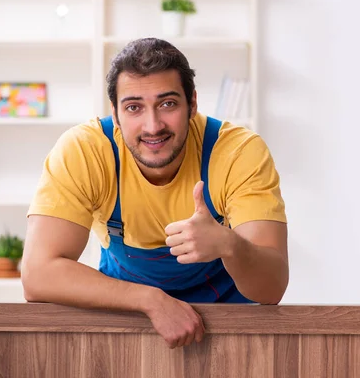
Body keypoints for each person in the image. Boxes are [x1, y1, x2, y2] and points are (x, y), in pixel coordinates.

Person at [21, 37, 289, 349]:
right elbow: (38, 274)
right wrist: (150, 300)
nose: (152, 126)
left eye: (168, 104)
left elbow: (272, 288)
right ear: (116, 114)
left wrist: (229, 244)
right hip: (128, 320)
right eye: (134, 107)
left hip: (228, 330)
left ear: (193, 104)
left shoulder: (237, 152)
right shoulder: (85, 151)